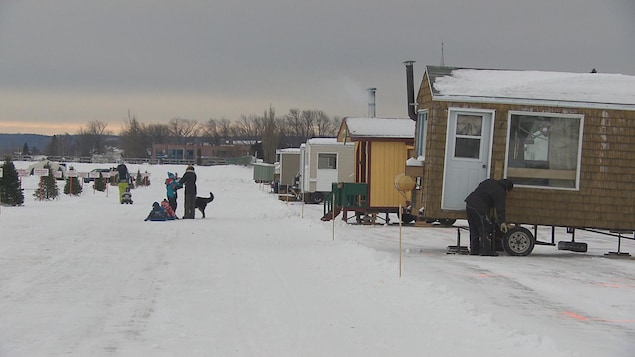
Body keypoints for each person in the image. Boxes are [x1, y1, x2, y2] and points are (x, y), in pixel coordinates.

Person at [464, 178, 513, 256]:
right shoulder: (500, 191)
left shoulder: (489, 181)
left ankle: (474, 250)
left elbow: (481, 188)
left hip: (469, 204)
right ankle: (486, 251)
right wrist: (502, 222)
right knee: (485, 228)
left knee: (474, 229)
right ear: (507, 188)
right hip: (479, 207)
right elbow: (500, 208)